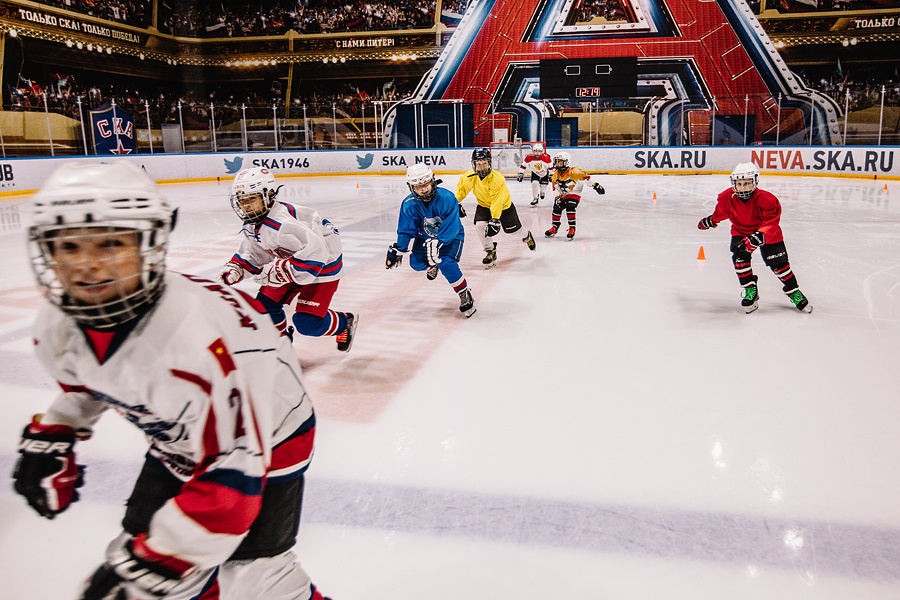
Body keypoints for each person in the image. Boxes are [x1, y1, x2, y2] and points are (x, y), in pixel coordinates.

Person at [14, 161, 330, 600]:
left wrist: (162, 558)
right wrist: (60, 426)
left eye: (110, 243)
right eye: (68, 245)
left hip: (274, 430)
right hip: (186, 432)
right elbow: (90, 379)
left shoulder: (191, 345)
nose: (87, 267)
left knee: (256, 578)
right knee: (156, 566)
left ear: (149, 244)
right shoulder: (58, 328)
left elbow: (231, 484)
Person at [217, 167, 357, 351]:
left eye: (251, 198)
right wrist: (236, 269)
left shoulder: (281, 223)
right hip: (295, 261)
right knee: (264, 309)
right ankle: (281, 346)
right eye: (242, 200)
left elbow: (315, 255)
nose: (246, 205)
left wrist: (276, 272)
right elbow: (255, 252)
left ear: (269, 195)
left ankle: (344, 323)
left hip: (323, 266)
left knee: (307, 323)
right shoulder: (255, 223)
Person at [698, 162, 812, 314]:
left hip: (767, 233)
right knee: (739, 257)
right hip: (741, 231)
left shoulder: (768, 199)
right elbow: (721, 212)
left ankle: (794, 291)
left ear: (755, 182)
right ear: (734, 183)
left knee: (780, 265)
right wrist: (711, 221)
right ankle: (750, 288)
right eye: (739, 183)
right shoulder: (726, 197)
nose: (743, 187)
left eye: (747, 183)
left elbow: (771, 223)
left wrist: (758, 237)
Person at [386, 164, 475, 317]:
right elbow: (406, 229)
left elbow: (452, 225)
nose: (423, 189)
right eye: (418, 185)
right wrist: (399, 249)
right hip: (426, 238)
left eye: (426, 183)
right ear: (411, 186)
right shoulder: (409, 204)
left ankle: (463, 292)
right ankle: (431, 266)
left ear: (432, 181)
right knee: (415, 262)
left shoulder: (447, 197)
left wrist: (440, 241)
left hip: (451, 235)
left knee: (446, 262)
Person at [456, 147, 536, 268]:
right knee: (480, 226)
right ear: (474, 164)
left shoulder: (497, 178)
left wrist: (494, 219)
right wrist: (454, 203)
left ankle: (526, 235)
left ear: (489, 163)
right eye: (478, 164)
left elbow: (497, 201)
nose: (482, 166)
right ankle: (490, 251)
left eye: (484, 163)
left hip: (504, 207)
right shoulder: (468, 177)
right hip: (484, 205)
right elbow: (461, 191)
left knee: (514, 231)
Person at [545, 151, 605, 241]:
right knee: (556, 207)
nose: (557, 164)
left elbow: (586, 178)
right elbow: (555, 188)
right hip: (563, 194)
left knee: (570, 206)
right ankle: (555, 226)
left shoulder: (575, 172)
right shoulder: (555, 175)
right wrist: (557, 198)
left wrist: (596, 185)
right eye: (556, 161)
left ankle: (572, 228)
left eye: (560, 162)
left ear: (566, 162)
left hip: (574, 193)